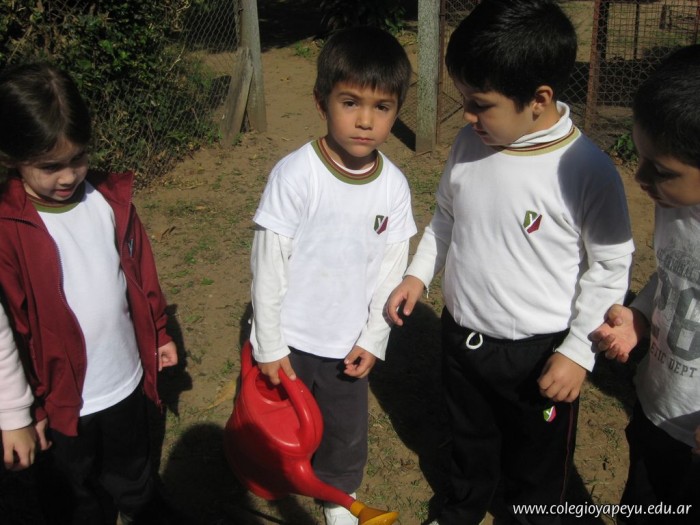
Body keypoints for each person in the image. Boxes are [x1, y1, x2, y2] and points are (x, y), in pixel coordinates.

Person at [385, 1, 635, 524]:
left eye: (480, 105)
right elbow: (445, 218)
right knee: (468, 440)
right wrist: (417, 274)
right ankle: (461, 507)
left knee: (538, 459)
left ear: (539, 100)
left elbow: (610, 266)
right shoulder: (469, 144)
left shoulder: (587, 171)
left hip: (540, 354)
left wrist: (577, 353)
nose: (467, 116)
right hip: (462, 336)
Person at [249, 26, 416, 525]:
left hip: (348, 342)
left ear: (397, 111)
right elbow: (268, 263)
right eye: (350, 103)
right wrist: (269, 344)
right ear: (321, 101)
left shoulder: (393, 187)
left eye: (381, 107)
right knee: (282, 420)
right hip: (292, 339)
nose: (365, 120)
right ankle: (269, 470)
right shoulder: (295, 175)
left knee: (344, 430)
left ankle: (338, 495)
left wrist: (374, 338)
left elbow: (391, 270)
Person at [0, 62, 178, 524]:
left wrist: (158, 330)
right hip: (62, 400)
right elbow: (12, 330)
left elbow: (140, 273)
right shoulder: (8, 230)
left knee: (132, 469)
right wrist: (25, 408)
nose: (68, 176)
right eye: (50, 166)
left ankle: (142, 503)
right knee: (75, 494)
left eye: (77, 159)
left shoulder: (107, 200)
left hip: (123, 379)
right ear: (12, 157)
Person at [590, 45, 700, 525]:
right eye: (641, 157)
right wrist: (640, 315)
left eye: (662, 170)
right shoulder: (678, 206)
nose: (639, 177)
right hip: (657, 405)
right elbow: (676, 272)